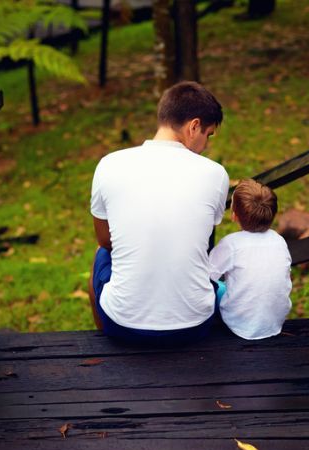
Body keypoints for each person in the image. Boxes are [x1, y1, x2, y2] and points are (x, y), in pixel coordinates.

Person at [89, 81, 229, 344]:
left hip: (123, 327)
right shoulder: (215, 174)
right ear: (194, 126)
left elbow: (105, 241)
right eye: (208, 135)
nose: (206, 145)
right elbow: (204, 240)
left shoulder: (109, 165)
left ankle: (105, 337)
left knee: (101, 254)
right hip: (195, 325)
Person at [209, 179, 292, 340]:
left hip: (238, 324)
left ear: (234, 215)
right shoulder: (279, 240)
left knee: (217, 287)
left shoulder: (231, 244)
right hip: (275, 323)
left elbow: (205, 275)